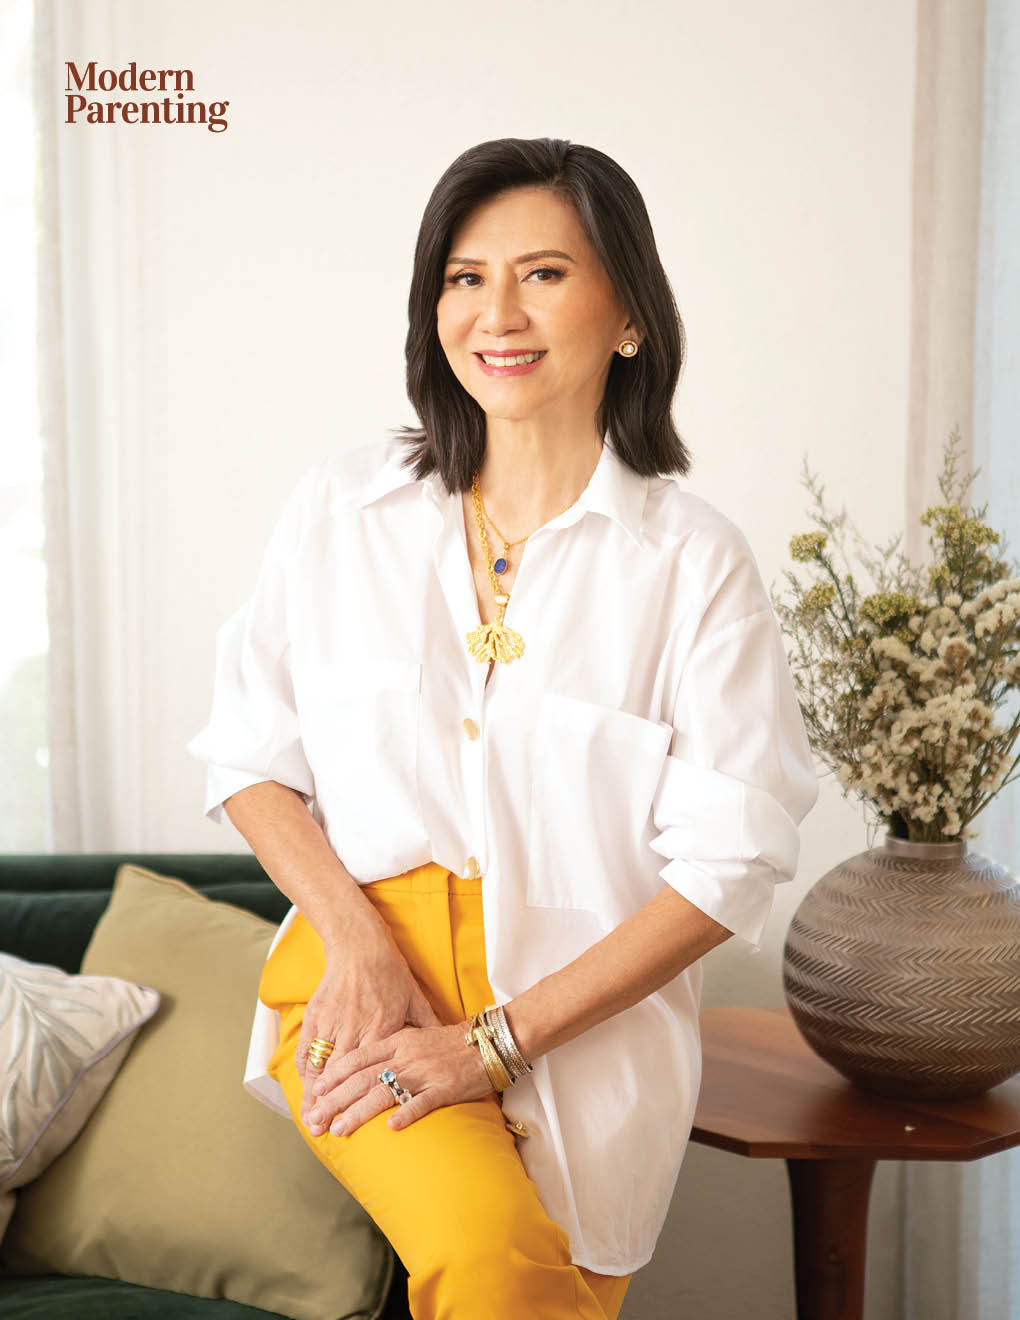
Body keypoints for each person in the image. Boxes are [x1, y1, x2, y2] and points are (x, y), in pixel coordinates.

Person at [187, 136, 819, 1320]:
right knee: (487, 1259)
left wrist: (496, 1044)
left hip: (585, 1022)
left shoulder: (694, 565)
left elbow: (731, 863)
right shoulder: (344, 509)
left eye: (544, 274)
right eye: (465, 278)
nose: (498, 314)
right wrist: (358, 944)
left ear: (629, 312)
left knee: (551, 1289)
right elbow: (249, 757)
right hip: (363, 987)